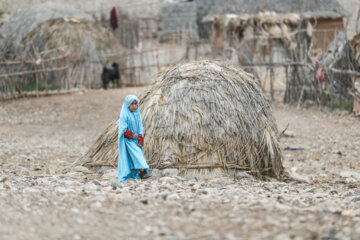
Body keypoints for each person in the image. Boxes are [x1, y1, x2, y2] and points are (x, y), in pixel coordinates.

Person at [118, 95, 151, 182]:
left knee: (135, 156)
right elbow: (123, 129)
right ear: (127, 105)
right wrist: (132, 135)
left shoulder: (137, 114)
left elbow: (140, 126)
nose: (134, 106)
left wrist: (140, 136)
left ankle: (138, 173)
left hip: (136, 141)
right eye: (131, 104)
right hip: (128, 141)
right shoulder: (124, 115)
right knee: (138, 156)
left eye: (135, 104)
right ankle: (142, 172)